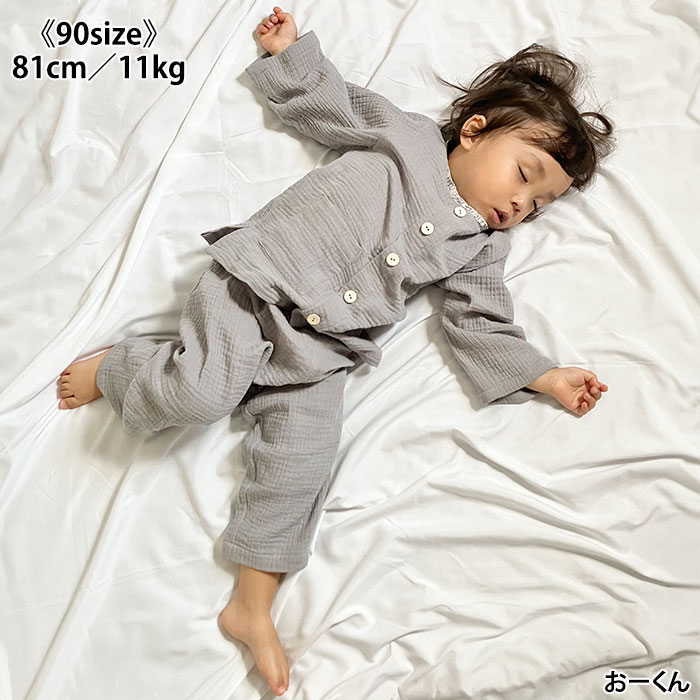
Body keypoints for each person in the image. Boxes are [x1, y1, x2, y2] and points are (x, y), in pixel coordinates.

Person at [56, 6, 614, 696]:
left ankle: (251, 604)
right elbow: (332, 104)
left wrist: (544, 376)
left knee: (302, 465)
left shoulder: (480, 248)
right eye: (524, 175)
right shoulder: (405, 138)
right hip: (257, 286)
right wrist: (288, 55)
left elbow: (480, 320)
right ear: (473, 132)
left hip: (321, 352)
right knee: (198, 393)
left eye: (540, 206)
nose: (521, 205)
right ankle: (122, 368)